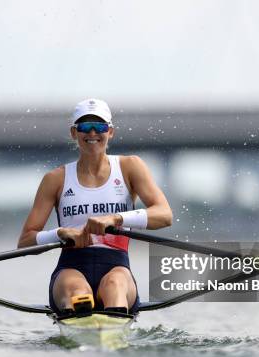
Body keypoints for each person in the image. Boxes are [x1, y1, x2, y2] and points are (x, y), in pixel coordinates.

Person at [17, 98, 172, 316]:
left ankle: (110, 321)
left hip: (117, 267)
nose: (92, 133)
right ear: (74, 133)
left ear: (110, 132)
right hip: (71, 268)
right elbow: (24, 242)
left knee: (115, 285)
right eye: (84, 127)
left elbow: (165, 215)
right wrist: (60, 233)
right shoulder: (55, 179)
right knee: (77, 290)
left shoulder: (130, 167)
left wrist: (116, 219)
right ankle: (86, 314)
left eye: (99, 126)